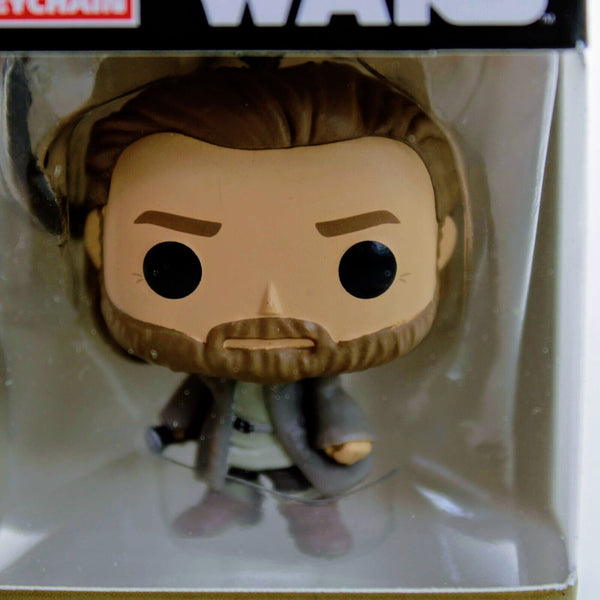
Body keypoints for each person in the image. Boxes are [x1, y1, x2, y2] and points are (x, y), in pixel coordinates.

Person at [78, 61, 460, 555]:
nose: (270, 305)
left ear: (440, 246)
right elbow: (191, 400)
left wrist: (347, 436)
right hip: (230, 451)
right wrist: (171, 429)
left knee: (302, 489)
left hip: (292, 454)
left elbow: (332, 403)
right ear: (99, 241)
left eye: (364, 265)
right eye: (172, 264)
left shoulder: (312, 377)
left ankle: (312, 514)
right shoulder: (213, 375)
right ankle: (230, 501)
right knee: (227, 480)